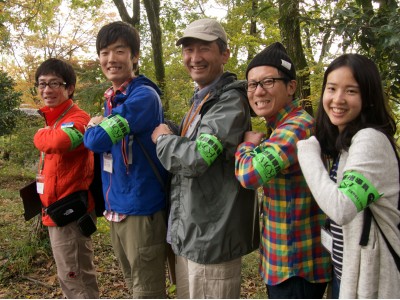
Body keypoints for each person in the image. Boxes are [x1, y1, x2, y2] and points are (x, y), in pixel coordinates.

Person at [151, 18, 259, 299]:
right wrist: (175, 131)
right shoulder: (203, 98)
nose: (194, 58)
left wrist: (163, 139)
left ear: (224, 54)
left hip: (212, 238)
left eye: (204, 49)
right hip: (193, 233)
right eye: (188, 50)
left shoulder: (229, 101)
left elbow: (196, 158)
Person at [297, 53, 400, 298]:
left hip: (373, 281)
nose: (338, 99)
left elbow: (341, 208)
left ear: (368, 97)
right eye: (331, 88)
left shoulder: (370, 139)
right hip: (348, 273)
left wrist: (307, 153)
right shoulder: (349, 143)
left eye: (351, 91)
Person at [235, 42, 332, 298]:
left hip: (296, 265)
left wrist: (246, 146)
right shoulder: (280, 127)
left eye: (268, 81)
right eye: (252, 84)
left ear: (291, 87)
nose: (258, 91)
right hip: (284, 262)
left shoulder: (297, 127)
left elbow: (249, 175)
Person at [83, 21, 167, 298]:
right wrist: (100, 122)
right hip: (117, 207)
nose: (111, 59)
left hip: (140, 207)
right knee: (133, 283)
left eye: (119, 51)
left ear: (134, 56)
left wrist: (95, 125)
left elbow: (95, 141)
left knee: (147, 290)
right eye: (105, 52)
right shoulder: (114, 98)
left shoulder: (143, 96)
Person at [33, 58, 99, 298]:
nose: (47, 90)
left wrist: (40, 134)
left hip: (70, 213)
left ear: (69, 87)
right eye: (42, 84)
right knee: (69, 276)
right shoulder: (55, 120)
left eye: (54, 83)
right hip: (54, 211)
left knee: (77, 278)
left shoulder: (79, 119)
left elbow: (59, 142)